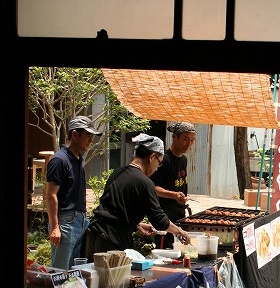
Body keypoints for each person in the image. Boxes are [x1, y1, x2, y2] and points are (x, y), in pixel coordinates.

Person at [84, 133, 192, 260]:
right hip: (112, 239)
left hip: (93, 235)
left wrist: (136, 224)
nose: (157, 169)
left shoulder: (118, 173)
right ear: (152, 157)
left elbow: (113, 208)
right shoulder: (145, 183)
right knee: (118, 273)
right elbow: (159, 219)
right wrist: (180, 231)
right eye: (159, 163)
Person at [45, 115, 102, 270]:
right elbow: (50, 194)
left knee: (74, 273)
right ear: (75, 134)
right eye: (88, 135)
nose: (91, 140)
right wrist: (55, 227)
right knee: (59, 271)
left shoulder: (78, 159)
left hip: (80, 220)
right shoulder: (59, 160)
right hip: (65, 221)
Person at [150, 121, 196, 249]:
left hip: (180, 216)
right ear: (174, 137)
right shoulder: (164, 159)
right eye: (186, 139)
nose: (189, 143)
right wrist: (174, 195)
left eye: (192, 140)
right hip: (165, 218)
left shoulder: (184, 160)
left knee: (179, 251)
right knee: (165, 252)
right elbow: (153, 188)